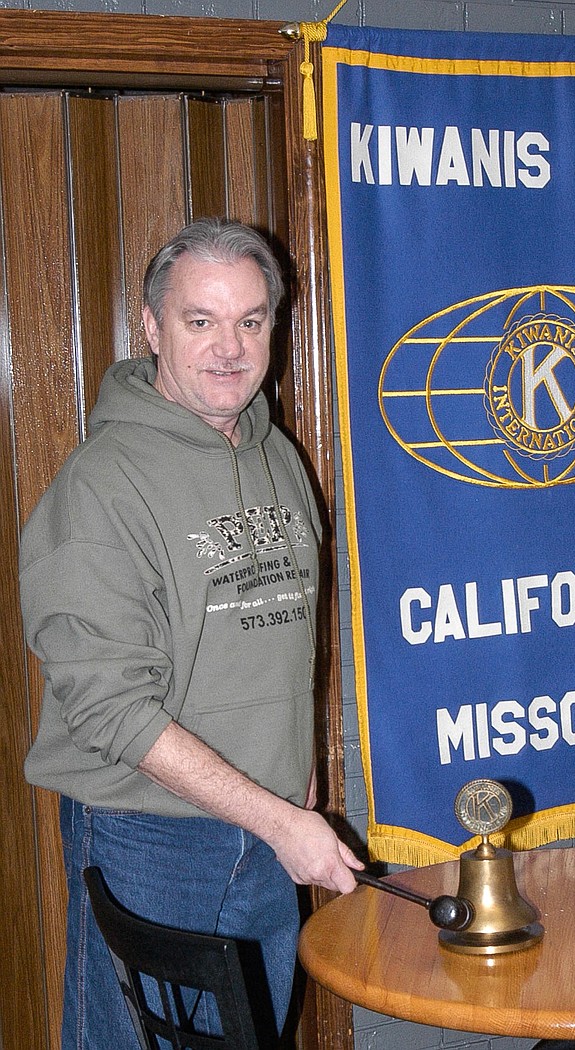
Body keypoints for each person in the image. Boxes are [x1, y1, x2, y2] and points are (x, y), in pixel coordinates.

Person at [20, 217, 362, 1049]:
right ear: (151, 326)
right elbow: (112, 711)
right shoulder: (101, 486)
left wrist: (300, 781)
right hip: (151, 837)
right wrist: (282, 824)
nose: (229, 349)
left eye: (251, 321)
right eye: (199, 321)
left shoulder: (276, 451)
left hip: (269, 824)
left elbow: (288, 636)